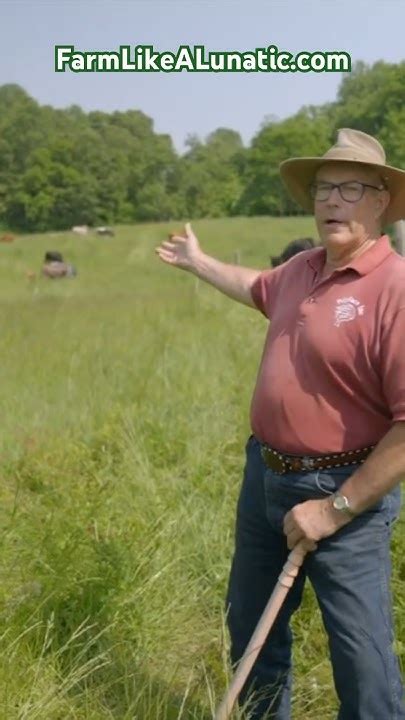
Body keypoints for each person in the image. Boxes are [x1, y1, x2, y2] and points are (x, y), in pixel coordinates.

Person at [155, 128, 405, 719]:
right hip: (264, 477)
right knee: (252, 636)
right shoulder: (301, 270)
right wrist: (197, 261)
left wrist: (334, 508)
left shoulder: (394, 288)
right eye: (323, 189)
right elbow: (254, 287)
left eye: (349, 188)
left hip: (346, 493)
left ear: (381, 201)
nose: (331, 202)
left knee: (362, 662)